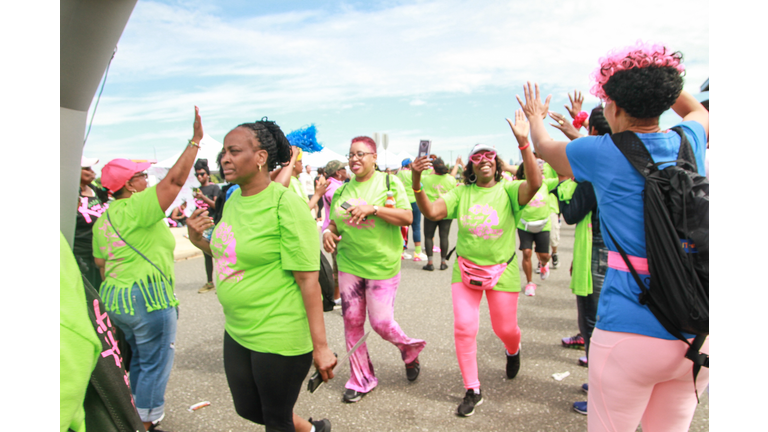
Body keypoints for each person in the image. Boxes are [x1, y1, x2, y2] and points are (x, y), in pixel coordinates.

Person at [519, 41, 709, 431]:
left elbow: (543, 146)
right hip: (700, 330)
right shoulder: (690, 140)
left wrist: (535, 116)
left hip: (630, 328)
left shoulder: (601, 152)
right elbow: (696, 109)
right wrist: (661, 81)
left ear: (617, 108)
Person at [186, 118, 335, 432]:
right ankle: (312, 430)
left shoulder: (286, 205)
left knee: (275, 420)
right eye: (224, 151)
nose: (224, 158)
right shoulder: (235, 198)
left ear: (261, 157)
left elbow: (308, 280)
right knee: (248, 408)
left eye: (234, 151)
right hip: (238, 329)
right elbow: (230, 253)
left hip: (278, 333)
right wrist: (199, 240)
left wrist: (321, 347)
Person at [411, 110, 541, 417]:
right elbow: (431, 211)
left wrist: (524, 143)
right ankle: (473, 389)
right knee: (465, 328)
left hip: (503, 269)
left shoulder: (508, 190)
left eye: (490, 155)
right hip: (466, 270)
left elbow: (534, 184)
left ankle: (513, 350)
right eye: (478, 156)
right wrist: (417, 180)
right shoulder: (461, 193)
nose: (484, 159)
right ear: (471, 164)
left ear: (496, 163)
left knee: (505, 329)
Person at [91, 106, 204, 431]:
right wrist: (195, 141)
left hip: (117, 300)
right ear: (130, 185)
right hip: (147, 299)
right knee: (155, 363)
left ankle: (134, 412)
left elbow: (101, 264)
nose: (147, 179)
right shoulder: (139, 206)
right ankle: (147, 422)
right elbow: (175, 179)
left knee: (140, 359)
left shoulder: (104, 217)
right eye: (141, 176)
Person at [322, 136, 426, 404]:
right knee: (352, 322)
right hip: (349, 264)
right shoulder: (342, 191)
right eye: (351, 154)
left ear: (374, 157)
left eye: (361, 154)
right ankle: (361, 378)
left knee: (381, 323)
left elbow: (408, 217)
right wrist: (328, 233)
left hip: (382, 264)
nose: (354, 159)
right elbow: (335, 223)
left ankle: (409, 349)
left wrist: (375, 209)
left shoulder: (389, 183)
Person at [550, 104, 613, 413]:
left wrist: (563, 184)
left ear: (594, 134)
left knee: (594, 325)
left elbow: (573, 212)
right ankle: (604, 382)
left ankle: (603, 392)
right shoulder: (625, 157)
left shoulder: (594, 172)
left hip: (598, 257)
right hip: (614, 255)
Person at [515, 161, 559, 296]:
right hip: (524, 225)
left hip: (543, 225)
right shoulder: (518, 185)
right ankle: (529, 283)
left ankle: (544, 264)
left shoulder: (547, 184)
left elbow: (563, 177)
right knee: (527, 253)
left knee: (544, 256)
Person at [74, 156, 110, 292]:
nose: (92, 172)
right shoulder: (68, 194)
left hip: (101, 254)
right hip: (83, 257)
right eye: (86, 169)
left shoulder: (94, 190)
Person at [418, 156, 459, 271]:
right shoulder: (451, 179)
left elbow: (420, 181)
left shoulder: (426, 179)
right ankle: (443, 262)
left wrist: (432, 171)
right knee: (444, 236)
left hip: (431, 210)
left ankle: (430, 262)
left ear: (434, 168)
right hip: (446, 211)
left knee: (428, 236)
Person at [321, 160, 348, 309]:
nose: (347, 170)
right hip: (336, 231)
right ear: (338, 172)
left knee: (338, 266)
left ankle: (337, 297)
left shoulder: (333, 185)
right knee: (341, 267)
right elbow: (342, 205)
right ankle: (344, 301)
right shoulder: (334, 188)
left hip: (333, 229)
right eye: (344, 168)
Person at [194, 158, 221, 294]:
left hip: (214, 225)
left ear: (208, 174)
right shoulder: (198, 190)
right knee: (207, 255)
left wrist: (203, 197)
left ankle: (224, 281)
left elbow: (216, 206)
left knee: (219, 254)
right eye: (197, 174)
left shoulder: (214, 188)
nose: (200, 176)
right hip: (203, 227)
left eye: (202, 173)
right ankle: (210, 282)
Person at [395, 158, 426, 261]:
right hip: (413, 201)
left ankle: (402, 252)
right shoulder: (412, 173)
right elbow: (420, 184)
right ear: (409, 165)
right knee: (416, 226)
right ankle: (417, 252)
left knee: (403, 227)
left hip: (402, 202)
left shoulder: (398, 174)